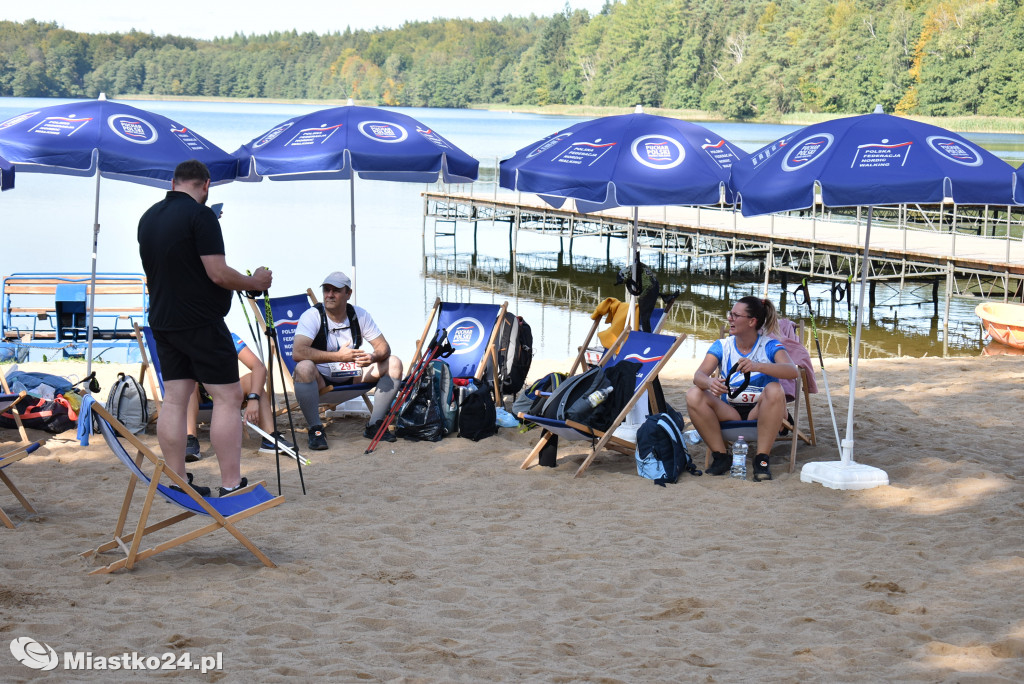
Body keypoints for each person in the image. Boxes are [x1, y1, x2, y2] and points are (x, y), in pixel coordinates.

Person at [138, 159, 272, 497]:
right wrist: (253, 282)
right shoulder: (203, 216)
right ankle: (230, 483)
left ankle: (178, 480)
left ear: (173, 182)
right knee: (229, 397)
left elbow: (158, 276)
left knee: (174, 401)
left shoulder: (148, 218)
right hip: (200, 323)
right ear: (206, 185)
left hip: (163, 321)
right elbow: (217, 273)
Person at [685, 296, 798, 482]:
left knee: (775, 389)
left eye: (736, 315)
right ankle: (721, 457)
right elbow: (698, 376)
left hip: (760, 412)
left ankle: (762, 459)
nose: (730, 318)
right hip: (730, 412)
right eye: (731, 314)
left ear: (752, 321)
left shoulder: (769, 346)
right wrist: (709, 383)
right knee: (694, 393)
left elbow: (792, 371)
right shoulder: (723, 346)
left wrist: (757, 366)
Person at [291, 271, 403, 450]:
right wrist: (338, 357)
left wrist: (372, 357)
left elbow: (384, 347)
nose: (329, 295)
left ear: (348, 293)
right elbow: (297, 352)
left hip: (354, 375)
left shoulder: (359, 315)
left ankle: (375, 425)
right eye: (326, 290)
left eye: (336, 290)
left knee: (394, 362)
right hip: (322, 380)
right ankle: (316, 429)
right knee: (303, 367)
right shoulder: (312, 316)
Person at [185, 332, 294, 461]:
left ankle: (270, 438)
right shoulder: (185, 339)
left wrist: (253, 399)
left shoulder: (228, 337)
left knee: (252, 380)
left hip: (227, 392)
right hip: (199, 396)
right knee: (187, 383)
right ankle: (190, 438)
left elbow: (259, 367)